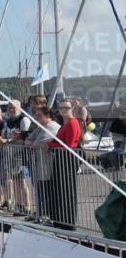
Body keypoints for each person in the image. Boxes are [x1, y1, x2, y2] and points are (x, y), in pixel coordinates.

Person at [50, 99, 82, 230]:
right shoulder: (65, 123)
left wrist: (50, 145)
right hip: (60, 158)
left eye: (66, 107)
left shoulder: (73, 123)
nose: (63, 110)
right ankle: (60, 220)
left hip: (67, 159)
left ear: (72, 108)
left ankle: (68, 222)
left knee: (67, 190)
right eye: (61, 107)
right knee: (59, 189)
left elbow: (68, 145)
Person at [25, 106, 60, 223]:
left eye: (39, 115)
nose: (36, 117)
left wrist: (31, 143)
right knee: (39, 191)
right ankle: (40, 215)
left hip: (47, 166)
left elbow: (36, 143)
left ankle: (45, 216)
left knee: (46, 192)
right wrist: (31, 143)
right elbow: (28, 140)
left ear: (48, 116)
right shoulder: (41, 127)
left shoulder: (51, 126)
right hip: (39, 165)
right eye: (36, 115)